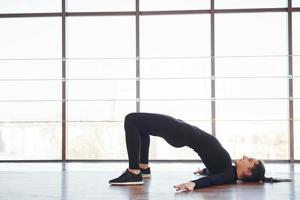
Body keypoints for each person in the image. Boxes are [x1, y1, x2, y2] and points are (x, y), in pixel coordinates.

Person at [109, 112, 291, 191]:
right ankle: (143, 169)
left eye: (249, 159)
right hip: (180, 130)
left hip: (179, 131)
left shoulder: (227, 172)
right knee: (141, 126)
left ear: (247, 172)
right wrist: (203, 171)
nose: (245, 156)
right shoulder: (226, 168)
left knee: (131, 119)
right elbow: (215, 174)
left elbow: (214, 180)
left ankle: (134, 173)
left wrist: (194, 184)